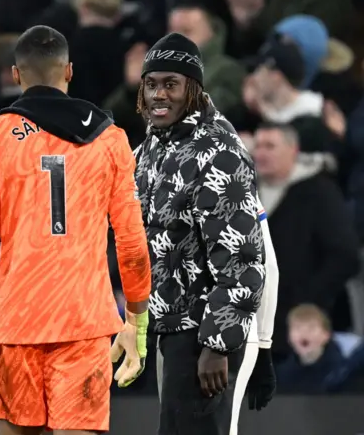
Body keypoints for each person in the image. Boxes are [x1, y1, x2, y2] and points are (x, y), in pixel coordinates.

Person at [0, 25, 152, 435]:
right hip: (85, 322)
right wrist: (136, 322)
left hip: (16, 322)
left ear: (15, 76)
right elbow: (131, 242)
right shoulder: (109, 139)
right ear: (68, 71)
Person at [133, 32, 267, 435]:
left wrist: (217, 344)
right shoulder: (152, 147)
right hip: (168, 327)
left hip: (202, 335)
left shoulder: (218, 150)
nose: (159, 95)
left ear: (192, 88)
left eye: (170, 84)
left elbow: (241, 257)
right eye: (151, 84)